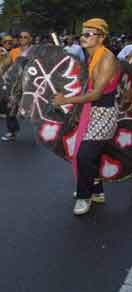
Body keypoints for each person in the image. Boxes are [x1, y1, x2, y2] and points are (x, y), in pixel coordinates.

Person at [53, 19, 120, 216]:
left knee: (85, 155)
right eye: (83, 33)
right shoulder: (92, 55)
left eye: (89, 34)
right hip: (92, 110)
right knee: (92, 155)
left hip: (103, 112)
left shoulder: (106, 59)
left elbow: (97, 93)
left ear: (101, 37)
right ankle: (97, 192)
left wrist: (66, 99)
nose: (83, 37)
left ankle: (84, 196)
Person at [0, 29, 32, 142]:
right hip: (15, 85)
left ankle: (38, 131)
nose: (22, 39)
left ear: (30, 39)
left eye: (25, 37)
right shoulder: (13, 52)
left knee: (33, 110)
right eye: (21, 37)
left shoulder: (35, 52)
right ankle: (11, 131)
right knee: (10, 107)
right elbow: (4, 65)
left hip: (30, 85)